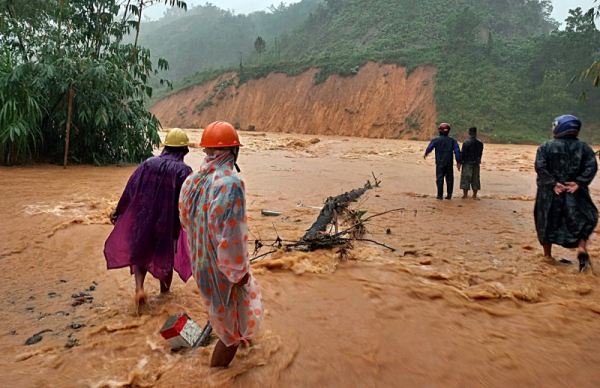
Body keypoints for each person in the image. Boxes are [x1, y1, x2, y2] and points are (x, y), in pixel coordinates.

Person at [179, 121, 263, 367]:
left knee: (222, 318)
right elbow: (231, 235)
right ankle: (216, 378)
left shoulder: (191, 181)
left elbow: (185, 221)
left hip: (200, 263)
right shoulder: (231, 184)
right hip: (222, 268)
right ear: (233, 151)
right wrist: (239, 274)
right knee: (231, 336)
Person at [104, 128, 193, 307]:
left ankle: (139, 289)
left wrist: (119, 210)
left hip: (142, 219)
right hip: (167, 224)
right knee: (166, 255)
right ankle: (164, 294)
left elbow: (131, 188)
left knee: (141, 251)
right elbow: (189, 201)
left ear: (166, 146)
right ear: (183, 150)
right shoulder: (184, 171)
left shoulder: (148, 163)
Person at [534, 115, 598, 273]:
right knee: (583, 218)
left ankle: (547, 256)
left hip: (549, 194)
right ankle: (581, 248)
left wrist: (553, 184)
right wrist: (579, 183)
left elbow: (540, 167)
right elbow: (592, 167)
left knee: (545, 221)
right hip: (575, 191)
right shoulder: (584, 148)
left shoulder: (545, 147)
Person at [424, 123, 461, 200]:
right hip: (449, 163)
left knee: (439, 179)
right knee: (450, 179)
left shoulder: (436, 140)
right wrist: (458, 161)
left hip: (439, 162)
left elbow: (430, 148)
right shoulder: (452, 140)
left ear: (440, 130)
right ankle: (449, 196)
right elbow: (457, 151)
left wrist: (426, 153)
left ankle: (439, 196)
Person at [459, 127, 484, 199]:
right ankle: (474, 195)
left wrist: (460, 162)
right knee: (475, 178)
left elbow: (463, 153)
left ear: (469, 133)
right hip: (476, 163)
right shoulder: (480, 143)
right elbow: (480, 153)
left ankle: (465, 195)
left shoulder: (466, 142)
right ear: (476, 133)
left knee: (466, 178)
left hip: (467, 163)